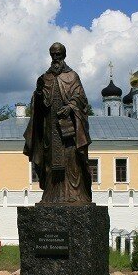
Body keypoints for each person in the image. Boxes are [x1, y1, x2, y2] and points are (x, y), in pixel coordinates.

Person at [23, 42, 92, 205]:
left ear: (64, 55)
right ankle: (50, 195)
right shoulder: (44, 78)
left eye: (58, 54)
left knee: (72, 160)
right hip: (49, 127)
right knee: (49, 161)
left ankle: (75, 195)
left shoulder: (72, 76)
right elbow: (38, 107)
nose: (56, 57)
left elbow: (81, 98)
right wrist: (39, 92)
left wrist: (70, 107)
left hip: (68, 129)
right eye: (53, 54)